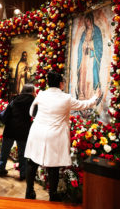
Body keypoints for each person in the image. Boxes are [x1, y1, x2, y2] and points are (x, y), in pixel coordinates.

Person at [24, 71, 99, 201]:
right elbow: (84, 105)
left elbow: (32, 112)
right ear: (60, 84)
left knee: (32, 162)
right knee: (53, 166)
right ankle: (53, 195)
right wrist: (95, 98)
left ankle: (29, 191)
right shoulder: (66, 98)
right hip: (55, 134)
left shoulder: (41, 94)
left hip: (37, 132)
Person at [0, 84, 36, 180]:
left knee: (5, 151)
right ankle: (23, 174)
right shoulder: (33, 101)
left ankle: (1, 169)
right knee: (22, 153)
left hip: (10, 127)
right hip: (23, 129)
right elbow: (35, 114)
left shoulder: (15, 99)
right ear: (31, 92)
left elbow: (7, 112)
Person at [76, 13, 103, 101]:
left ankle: (92, 94)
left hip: (92, 56)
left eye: (88, 21)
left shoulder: (97, 31)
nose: (87, 23)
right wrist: (84, 45)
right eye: (86, 21)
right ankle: (82, 93)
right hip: (84, 57)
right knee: (83, 74)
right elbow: (80, 44)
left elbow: (99, 44)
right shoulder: (84, 33)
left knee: (91, 74)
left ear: (91, 20)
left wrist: (91, 45)